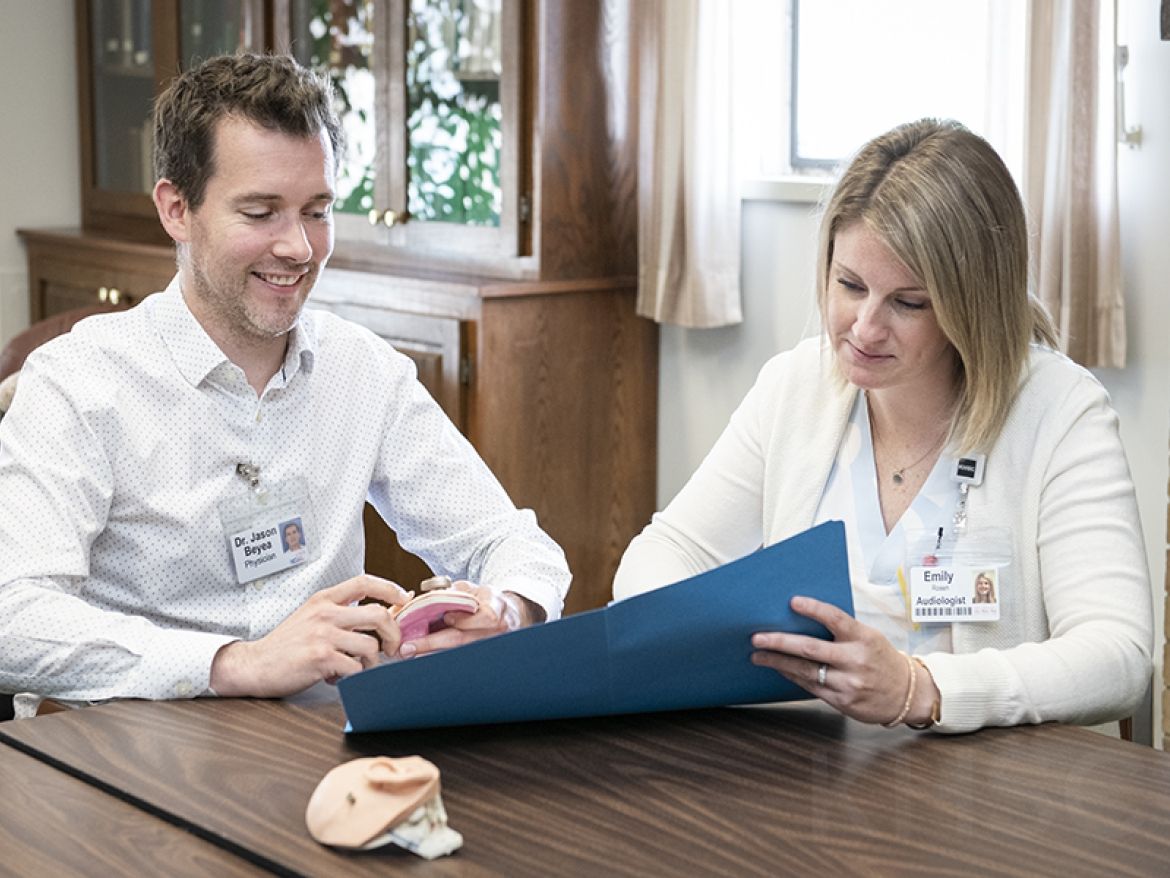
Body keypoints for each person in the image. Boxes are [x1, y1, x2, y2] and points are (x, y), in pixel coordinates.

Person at [0, 53, 570, 719]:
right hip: (133, 750)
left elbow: (513, 543)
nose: (299, 247)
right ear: (177, 210)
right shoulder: (78, 383)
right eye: (261, 212)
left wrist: (505, 605)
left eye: (317, 210)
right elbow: (13, 616)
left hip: (320, 744)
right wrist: (233, 663)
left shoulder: (364, 371)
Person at [612, 119, 1152, 734]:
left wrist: (920, 689)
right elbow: (664, 553)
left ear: (972, 304)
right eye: (850, 285)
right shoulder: (796, 386)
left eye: (909, 302)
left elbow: (1118, 656)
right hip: (808, 765)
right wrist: (710, 635)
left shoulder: (1060, 412)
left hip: (992, 787)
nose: (864, 328)